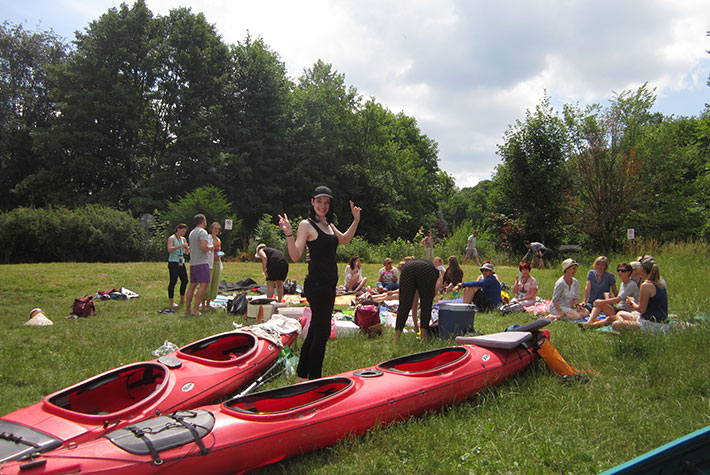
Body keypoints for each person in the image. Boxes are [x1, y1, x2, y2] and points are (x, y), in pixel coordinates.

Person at [278, 185, 361, 380]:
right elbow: (296, 255)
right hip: (316, 285)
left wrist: (356, 219)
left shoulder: (328, 224)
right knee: (322, 332)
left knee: (316, 328)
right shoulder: (306, 225)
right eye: (319, 202)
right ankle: (314, 379)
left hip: (329, 285)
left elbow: (345, 240)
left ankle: (302, 375)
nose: (322, 206)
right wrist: (289, 234)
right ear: (312, 202)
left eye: (326, 202)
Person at [393, 258, 443, 343]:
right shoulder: (439, 274)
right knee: (426, 305)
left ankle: (396, 338)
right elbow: (432, 293)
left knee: (404, 304)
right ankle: (423, 337)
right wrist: (429, 297)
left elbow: (414, 303)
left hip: (408, 267)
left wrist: (415, 323)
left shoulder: (412, 267)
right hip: (426, 269)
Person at [612, 256, 668, 331]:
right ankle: (630, 329)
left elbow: (641, 309)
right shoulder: (660, 284)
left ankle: (630, 330)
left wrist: (631, 303)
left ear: (643, 270)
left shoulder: (646, 285)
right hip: (659, 321)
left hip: (650, 325)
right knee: (620, 313)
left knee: (616, 325)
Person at [581, 262, 639, 329]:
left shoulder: (631, 285)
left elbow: (618, 299)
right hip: (618, 309)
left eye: (623, 271)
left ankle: (591, 325)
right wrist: (609, 298)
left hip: (627, 311)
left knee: (608, 317)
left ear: (629, 272)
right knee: (599, 304)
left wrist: (603, 301)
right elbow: (619, 300)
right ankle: (589, 322)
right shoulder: (622, 284)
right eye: (618, 270)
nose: (620, 272)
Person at [185, 214, 214, 316]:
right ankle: (196, 309)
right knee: (204, 284)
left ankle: (187, 308)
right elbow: (203, 247)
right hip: (201, 262)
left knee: (192, 285)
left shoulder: (192, 233)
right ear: (203, 221)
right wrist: (211, 247)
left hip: (193, 262)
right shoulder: (202, 232)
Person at [167, 224, 190, 308]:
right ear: (178, 229)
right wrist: (180, 246)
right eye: (182, 231)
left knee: (185, 280)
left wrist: (187, 249)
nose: (183, 233)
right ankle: (171, 301)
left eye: (185, 231)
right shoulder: (172, 238)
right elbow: (169, 249)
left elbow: (186, 252)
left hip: (181, 261)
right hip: (173, 261)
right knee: (173, 281)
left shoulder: (183, 239)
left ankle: (182, 298)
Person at [202, 222, 222, 311]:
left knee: (214, 282)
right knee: (207, 283)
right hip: (209, 263)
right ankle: (203, 303)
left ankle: (209, 302)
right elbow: (205, 248)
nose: (216, 230)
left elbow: (218, 251)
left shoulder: (218, 239)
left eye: (218, 229)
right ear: (211, 229)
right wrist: (213, 247)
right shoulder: (208, 238)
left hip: (217, 262)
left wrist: (221, 254)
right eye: (215, 228)